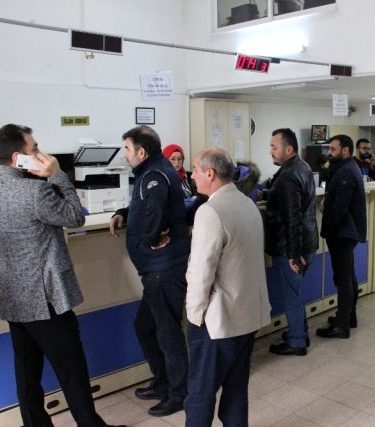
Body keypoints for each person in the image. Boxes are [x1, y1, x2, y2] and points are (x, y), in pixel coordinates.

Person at [0, 124, 124, 427]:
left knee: (27, 371)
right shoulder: (34, 192)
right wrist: (56, 175)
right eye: (34, 148)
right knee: (72, 370)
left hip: (13, 298)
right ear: (17, 158)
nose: (40, 153)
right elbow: (75, 216)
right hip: (46, 298)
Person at [184, 148, 271, 427]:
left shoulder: (210, 211)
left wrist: (194, 316)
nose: (192, 175)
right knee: (235, 390)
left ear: (210, 174)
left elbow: (201, 272)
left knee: (200, 394)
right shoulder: (247, 203)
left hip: (218, 322)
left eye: (196, 170)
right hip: (248, 314)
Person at [109, 126, 190, 417]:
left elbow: (155, 210)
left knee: (167, 333)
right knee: (145, 326)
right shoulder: (154, 171)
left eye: (127, 149)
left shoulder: (154, 174)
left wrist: (149, 239)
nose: (125, 155)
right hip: (157, 269)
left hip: (163, 269)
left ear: (141, 152)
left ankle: (179, 393)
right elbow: (145, 206)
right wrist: (124, 214)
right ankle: (163, 381)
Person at [263, 128, 319, 356]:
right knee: (294, 292)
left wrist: (294, 255)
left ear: (288, 149)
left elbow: (292, 219)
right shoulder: (301, 167)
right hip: (308, 242)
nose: (271, 151)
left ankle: (297, 342)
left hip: (292, 248)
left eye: (274, 147)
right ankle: (300, 332)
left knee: (291, 296)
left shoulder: (288, 175)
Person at [316, 135, 367, 339]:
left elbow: (340, 208)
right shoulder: (346, 168)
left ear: (345, 150)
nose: (329, 152)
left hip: (343, 232)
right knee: (348, 275)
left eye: (333, 149)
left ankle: (342, 325)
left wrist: (329, 228)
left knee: (343, 278)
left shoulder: (346, 171)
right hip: (346, 231)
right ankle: (348, 316)